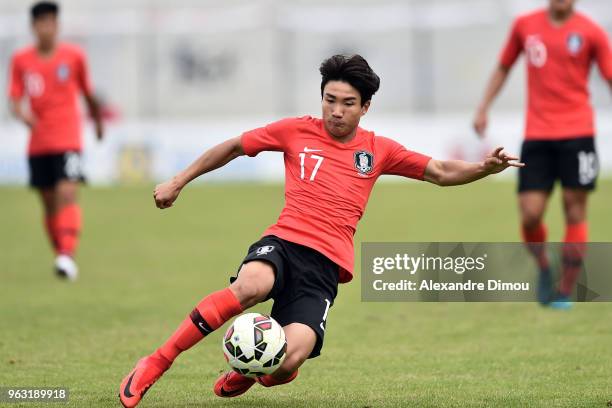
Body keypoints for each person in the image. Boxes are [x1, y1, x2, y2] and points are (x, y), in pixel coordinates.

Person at [119, 54, 523, 407]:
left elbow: (438, 171)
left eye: (348, 103)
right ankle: (156, 362)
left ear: (365, 107)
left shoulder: (378, 150)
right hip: (283, 243)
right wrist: (178, 181)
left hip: (324, 269)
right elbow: (234, 146)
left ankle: (254, 372)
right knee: (251, 285)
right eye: (330, 100)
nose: (336, 111)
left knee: (289, 361)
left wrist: (484, 168)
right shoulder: (296, 130)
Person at [473, 0, 612, 308]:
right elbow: (504, 66)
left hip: (578, 135)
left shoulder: (592, 32)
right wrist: (483, 107)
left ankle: (565, 290)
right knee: (530, 213)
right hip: (537, 136)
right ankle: (545, 268)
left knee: (575, 210)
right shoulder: (525, 25)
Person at [8, 1, 104, 280]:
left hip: (68, 139)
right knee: (49, 202)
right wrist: (23, 115)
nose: (47, 28)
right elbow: (14, 99)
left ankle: (67, 254)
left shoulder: (74, 56)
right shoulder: (21, 60)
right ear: (34, 27)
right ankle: (61, 253)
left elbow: (88, 94)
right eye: (42, 23)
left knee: (68, 193)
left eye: (51, 22)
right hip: (38, 143)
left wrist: (97, 122)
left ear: (57, 25)